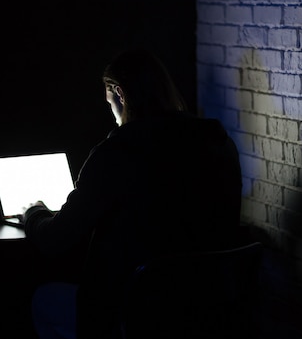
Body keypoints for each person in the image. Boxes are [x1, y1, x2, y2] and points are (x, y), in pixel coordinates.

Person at [22, 49, 243, 339]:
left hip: (136, 309)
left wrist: (35, 213)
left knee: (44, 300)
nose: (112, 112)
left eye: (109, 101)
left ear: (119, 93)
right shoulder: (219, 143)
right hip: (209, 307)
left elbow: (55, 239)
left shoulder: (117, 153)